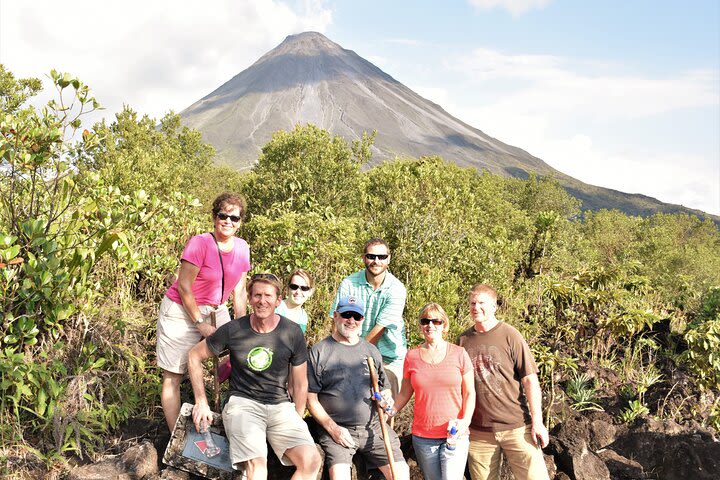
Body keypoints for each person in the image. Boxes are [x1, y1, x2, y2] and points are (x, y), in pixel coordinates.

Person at [188, 273, 321, 480]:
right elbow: (194, 355)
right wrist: (201, 401)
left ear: (278, 300)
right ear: (249, 299)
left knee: (311, 460)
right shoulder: (234, 329)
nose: (262, 300)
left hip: (280, 406)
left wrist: (298, 416)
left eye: (268, 295)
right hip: (243, 404)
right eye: (257, 295)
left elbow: (300, 382)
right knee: (257, 469)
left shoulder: (292, 332)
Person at [156, 192, 251, 431]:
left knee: (239, 356)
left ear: (241, 222)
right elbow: (184, 286)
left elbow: (239, 291)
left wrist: (241, 327)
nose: (228, 221)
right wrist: (199, 323)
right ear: (214, 217)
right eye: (223, 215)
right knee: (173, 375)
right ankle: (174, 437)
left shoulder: (242, 248)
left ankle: (213, 406)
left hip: (217, 308)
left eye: (234, 217)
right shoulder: (200, 243)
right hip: (182, 309)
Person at [308, 296, 410, 480]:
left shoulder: (371, 351)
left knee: (401, 474)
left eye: (357, 316)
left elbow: (384, 388)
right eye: (346, 314)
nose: (351, 320)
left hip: (374, 428)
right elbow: (310, 399)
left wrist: (386, 399)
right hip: (338, 430)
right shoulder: (320, 351)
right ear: (336, 315)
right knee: (339, 476)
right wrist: (333, 429)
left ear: (362, 319)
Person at [458, 284, 550, 480]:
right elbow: (458, 387)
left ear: (494, 306)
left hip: (516, 426)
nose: (476, 307)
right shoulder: (463, 340)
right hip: (479, 433)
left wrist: (537, 422)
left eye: (482, 303)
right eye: (473, 303)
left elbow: (530, 380)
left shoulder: (510, 334)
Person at [391, 303, 475, 480]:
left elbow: (469, 393)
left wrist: (465, 421)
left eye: (436, 321)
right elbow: (405, 393)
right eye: (425, 321)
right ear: (421, 326)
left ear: (444, 326)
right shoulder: (411, 356)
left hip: (455, 434)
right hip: (424, 436)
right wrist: (390, 412)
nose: (430, 325)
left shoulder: (459, 353)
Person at [330, 238, 407, 396]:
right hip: (351, 348)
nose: (376, 261)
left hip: (388, 357)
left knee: (385, 400)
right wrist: (338, 352)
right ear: (364, 258)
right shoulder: (349, 283)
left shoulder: (397, 289)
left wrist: (354, 356)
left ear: (389, 258)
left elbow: (379, 330)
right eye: (371, 256)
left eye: (382, 257)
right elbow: (337, 320)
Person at [276, 269, 314, 334]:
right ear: (288, 289)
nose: (298, 292)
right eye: (294, 287)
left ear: (310, 292)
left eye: (304, 288)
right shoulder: (275, 308)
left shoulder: (303, 317)